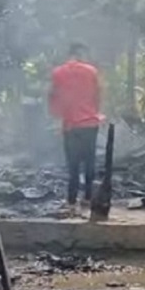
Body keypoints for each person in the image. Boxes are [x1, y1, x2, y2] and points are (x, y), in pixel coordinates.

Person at [49, 42, 104, 212]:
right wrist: (95, 112)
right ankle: (87, 198)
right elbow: (98, 95)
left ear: (69, 54)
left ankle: (71, 201)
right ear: (81, 54)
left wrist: (57, 117)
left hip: (70, 126)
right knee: (89, 162)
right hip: (90, 124)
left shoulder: (58, 72)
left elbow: (53, 97)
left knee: (73, 165)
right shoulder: (92, 71)